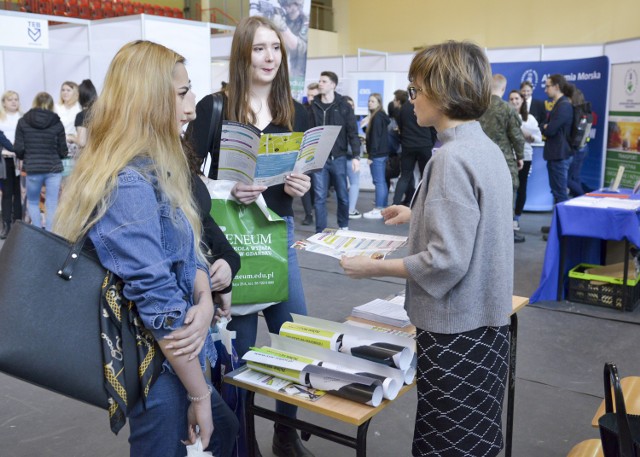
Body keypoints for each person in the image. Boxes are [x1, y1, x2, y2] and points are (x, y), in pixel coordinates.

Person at [53, 40, 238, 457]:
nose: (192, 108)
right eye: (182, 94)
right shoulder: (127, 183)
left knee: (224, 432)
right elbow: (157, 299)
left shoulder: (158, 167)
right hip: (157, 367)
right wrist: (199, 395)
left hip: (176, 357)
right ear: (148, 99)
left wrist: (206, 297)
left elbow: (187, 251)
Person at [340, 41, 513, 457]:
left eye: (415, 90)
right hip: (487, 326)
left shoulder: (450, 159)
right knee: (477, 434)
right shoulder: (484, 148)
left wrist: (372, 268)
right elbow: (478, 224)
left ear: (442, 91)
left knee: (445, 439)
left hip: (454, 331)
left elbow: (445, 261)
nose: (412, 100)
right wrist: (418, 214)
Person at [187, 16, 313, 457]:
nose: (269, 57)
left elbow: (297, 174)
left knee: (296, 340)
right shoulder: (213, 107)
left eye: (275, 48)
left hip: (278, 236)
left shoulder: (295, 112)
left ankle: (286, 433)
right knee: (240, 356)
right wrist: (225, 188)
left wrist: (302, 186)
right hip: (232, 243)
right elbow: (182, 175)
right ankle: (244, 441)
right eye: (259, 48)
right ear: (242, 54)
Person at [309, 70, 361, 232]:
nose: (320, 83)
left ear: (333, 84)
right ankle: (320, 231)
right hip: (318, 158)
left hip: (338, 157)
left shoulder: (343, 106)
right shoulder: (313, 106)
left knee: (342, 196)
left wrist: (356, 156)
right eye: (320, 80)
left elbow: (352, 132)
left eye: (324, 81)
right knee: (319, 197)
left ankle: (344, 226)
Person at [479, 74, 526, 243]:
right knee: (509, 193)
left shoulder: (478, 108)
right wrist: (520, 156)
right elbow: (516, 137)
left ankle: (485, 231)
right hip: (503, 159)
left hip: (481, 158)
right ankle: (507, 232)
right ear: (504, 89)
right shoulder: (507, 109)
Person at [14, 92, 67, 231]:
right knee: (52, 203)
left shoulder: (23, 121)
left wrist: (27, 157)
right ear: (51, 105)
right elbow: (63, 150)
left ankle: (37, 232)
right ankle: (50, 234)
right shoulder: (57, 122)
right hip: (53, 168)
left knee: (32, 201)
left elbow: (18, 149)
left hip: (33, 168)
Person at [394, 89, 437, 206]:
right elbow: (433, 128)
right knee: (426, 176)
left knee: (405, 176)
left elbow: (400, 128)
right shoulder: (426, 105)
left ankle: (394, 205)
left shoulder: (403, 108)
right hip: (425, 145)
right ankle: (425, 205)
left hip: (408, 146)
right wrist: (431, 142)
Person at [508, 89, 541, 231]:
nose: (514, 101)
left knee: (521, 187)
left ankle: (516, 218)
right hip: (508, 156)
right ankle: (506, 217)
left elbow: (538, 138)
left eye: (517, 98)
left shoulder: (530, 118)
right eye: (511, 99)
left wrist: (530, 137)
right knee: (508, 188)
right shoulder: (505, 116)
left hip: (525, 157)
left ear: (522, 101)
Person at [541, 74, 574, 205]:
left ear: (557, 87)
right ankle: (557, 225)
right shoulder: (559, 104)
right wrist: (545, 126)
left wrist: (545, 126)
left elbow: (550, 130)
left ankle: (564, 225)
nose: (545, 90)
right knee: (557, 192)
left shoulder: (564, 106)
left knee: (560, 194)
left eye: (548, 86)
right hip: (555, 155)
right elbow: (547, 126)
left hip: (559, 155)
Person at [360, 93, 391, 219]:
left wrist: (371, 156)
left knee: (379, 181)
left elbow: (376, 138)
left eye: (372, 101)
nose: (369, 103)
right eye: (369, 101)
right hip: (381, 153)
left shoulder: (377, 117)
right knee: (381, 181)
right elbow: (374, 134)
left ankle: (379, 208)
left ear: (379, 103)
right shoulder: (379, 116)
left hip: (377, 154)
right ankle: (382, 207)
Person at [0, 90, 23, 239]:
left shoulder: (23, 117)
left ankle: (18, 225)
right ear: (3, 102)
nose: (13, 102)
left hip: (21, 159)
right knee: (7, 194)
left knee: (19, 193)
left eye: (16, 99)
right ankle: (6, 225)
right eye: (10, 100)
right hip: (5, 160)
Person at [567, 87, 590, 197]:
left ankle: (583, 198)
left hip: (577, 148)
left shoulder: (576, 112)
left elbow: (577, 133)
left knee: (567, 179)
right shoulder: (585, 110)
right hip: (583, 147)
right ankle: (580, 198)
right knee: (574, 177)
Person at [343, 95, 362, 219]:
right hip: (350, 156)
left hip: (342, 156)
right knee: (354, 183)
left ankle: (346, 209)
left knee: (343, 184)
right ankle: (350, 209)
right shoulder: (354, 121)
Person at [67, 79, 98, 150]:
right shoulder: (103, 112)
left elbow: (82, 142)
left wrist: (71, 137)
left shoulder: (82, 115)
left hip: (91, 155)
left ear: (80, 97)